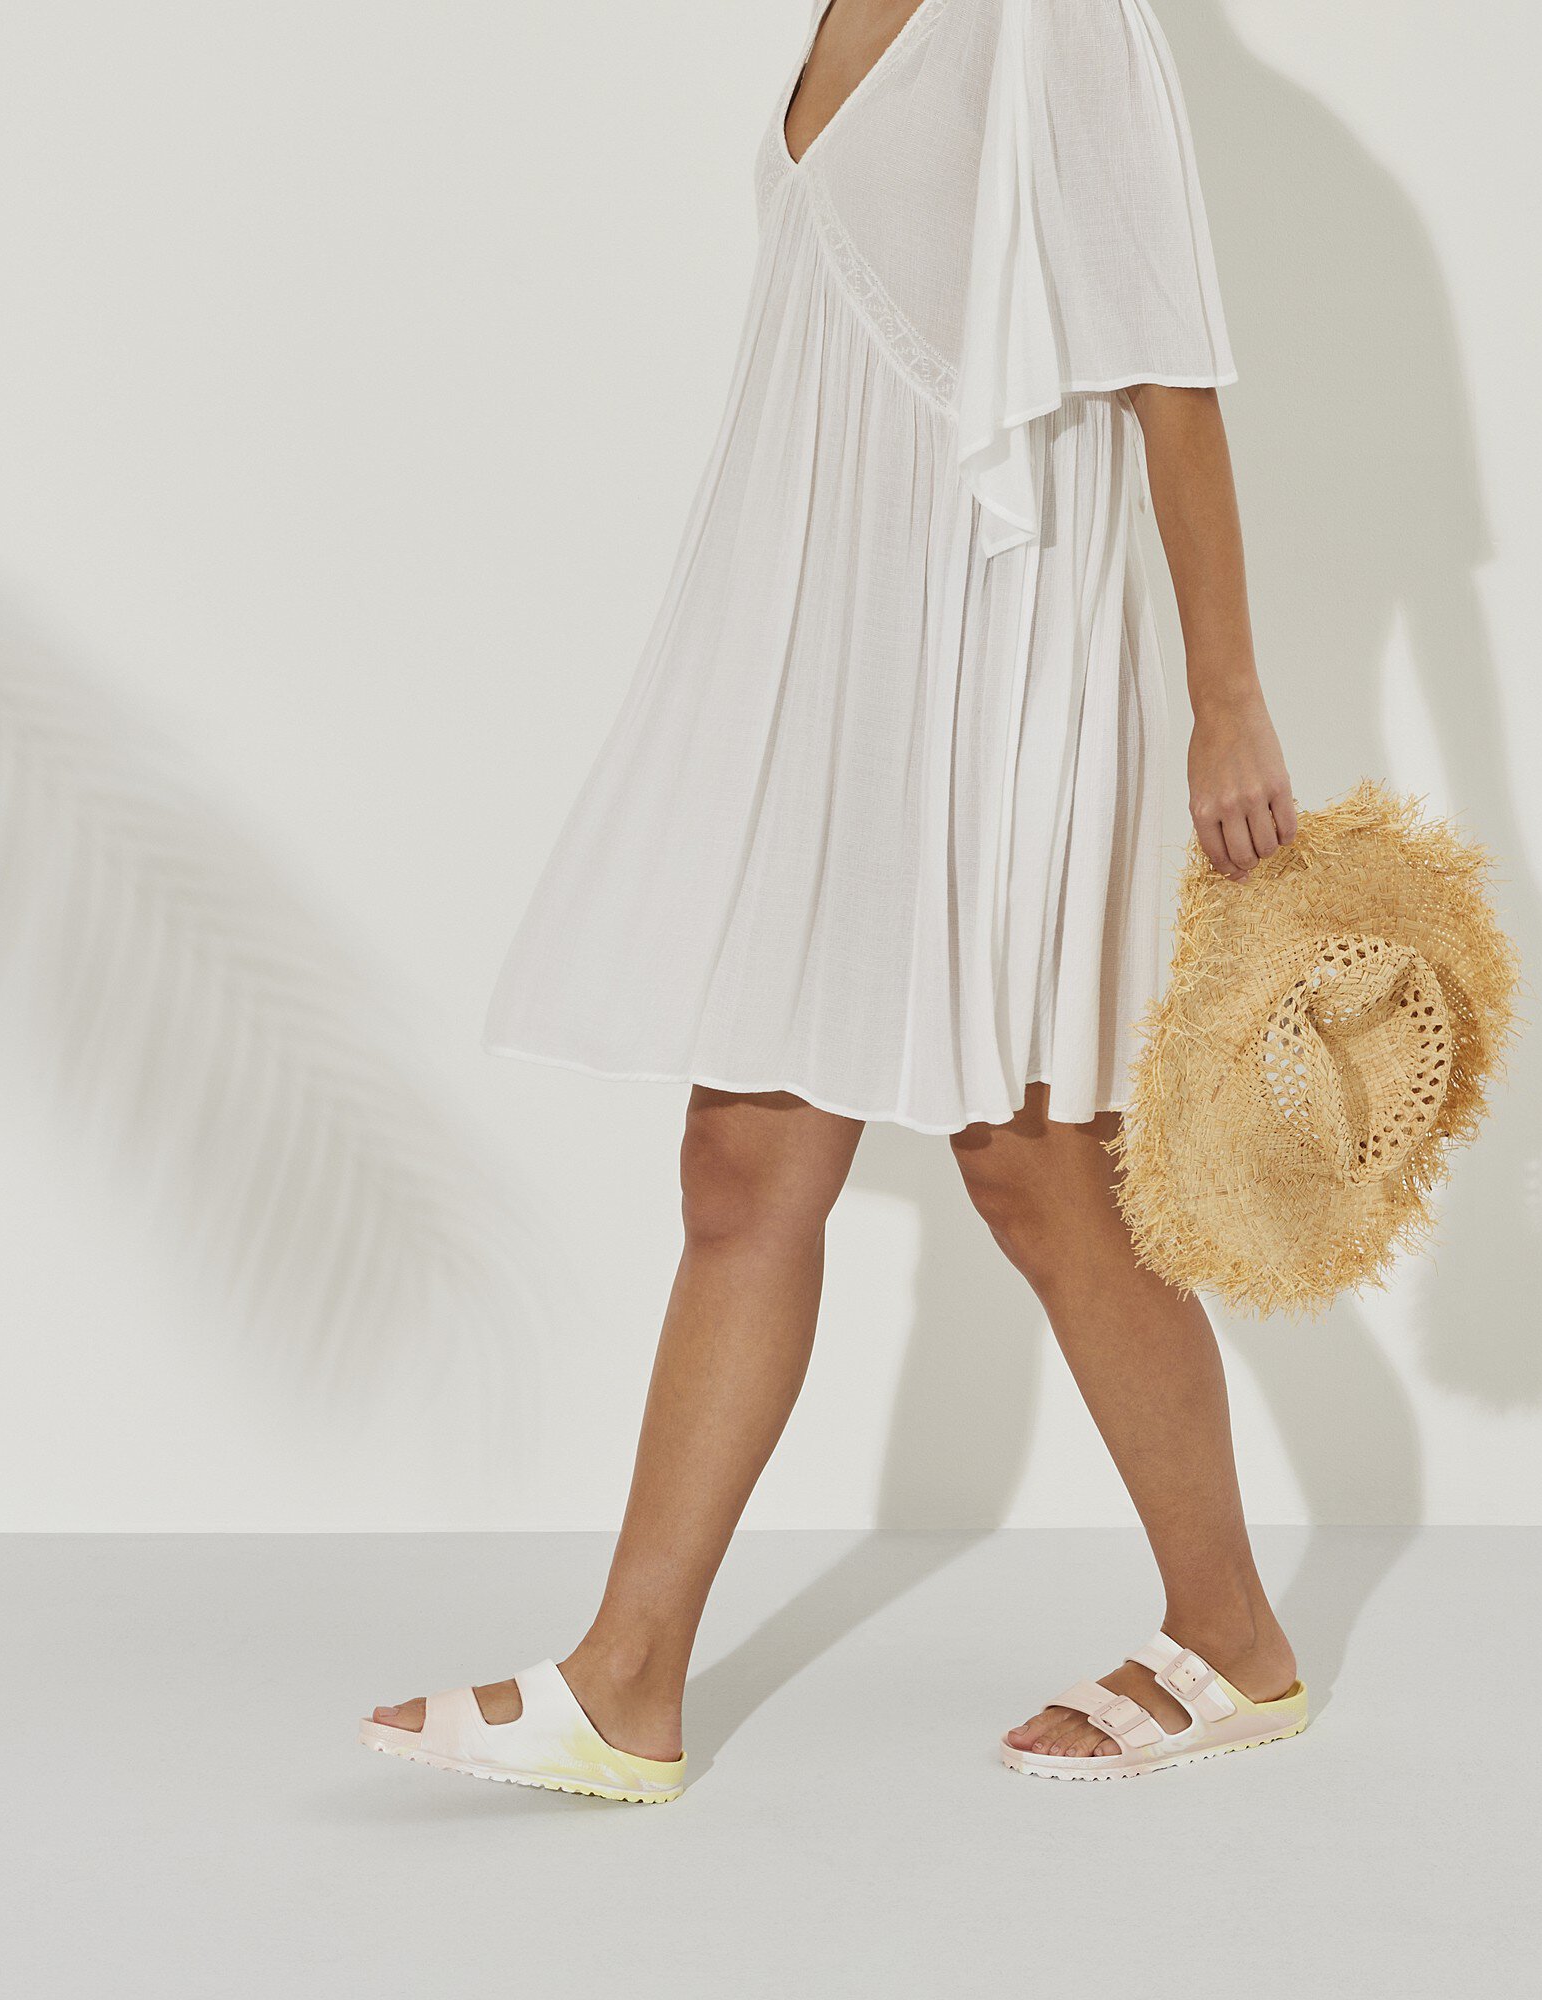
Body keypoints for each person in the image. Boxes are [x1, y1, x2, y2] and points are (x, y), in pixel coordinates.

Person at [365, 0, 1305, 1796]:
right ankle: (627, 1683)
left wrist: (1228, 698)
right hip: (834, 666)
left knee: (1036, 1164)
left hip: (1000, 656)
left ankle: (1234, 1636)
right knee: (744, 1160)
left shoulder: (1056, 18)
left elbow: (1167, 367)